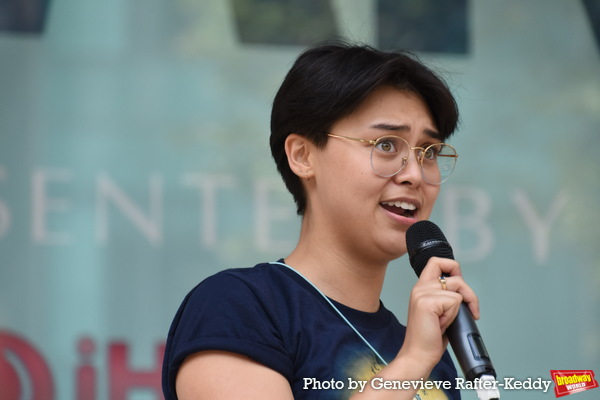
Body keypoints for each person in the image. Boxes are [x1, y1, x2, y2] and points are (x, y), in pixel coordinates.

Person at [162, 41, 479, 400]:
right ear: (303, 156)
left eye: (430, 152)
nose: (416, 175)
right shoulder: (240, 307)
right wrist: (411, 363)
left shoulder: (433, 358)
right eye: (387, 144)